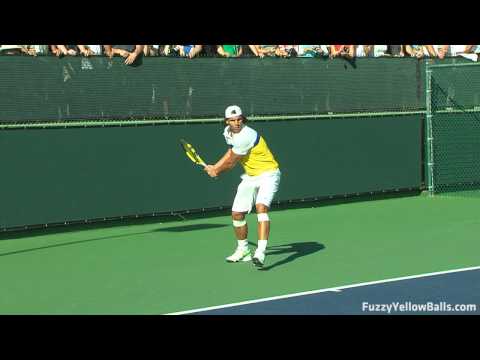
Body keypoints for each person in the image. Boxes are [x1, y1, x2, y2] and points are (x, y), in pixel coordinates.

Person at [204, 105, 281, 268]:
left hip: (269, 174)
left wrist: (216, 171)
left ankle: (260, 253)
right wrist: (214, 166)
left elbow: (232, 162)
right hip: (251, 176)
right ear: (227, 121)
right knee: (237, 214)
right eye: (232, 120)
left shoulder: (246, 135)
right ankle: (243, 250)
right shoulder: (228, 133)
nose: (236, 123)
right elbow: (231, 152)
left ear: (243, 119)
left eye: (239, 119)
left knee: (261, 208)